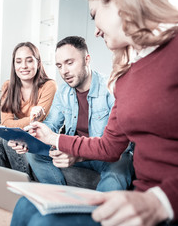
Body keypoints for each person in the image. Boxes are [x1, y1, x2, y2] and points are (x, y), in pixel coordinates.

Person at [10, 0, 178, 225]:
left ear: (121, 1)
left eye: (95, 15)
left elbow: (119, 157)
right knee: (26, 205)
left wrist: (160, 201)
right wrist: (50, 137)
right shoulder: (125, 78)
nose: (96, 30)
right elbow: (109, 147)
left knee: (43, 222)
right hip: (144, 199)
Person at [9, 36, 133, 191]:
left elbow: (121, 145)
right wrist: (28, 139)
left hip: (107, 155)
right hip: (74, 149)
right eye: (59, 66)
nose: (64, 71)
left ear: (87, 59)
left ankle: (98, 211)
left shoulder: (110, 88)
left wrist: (78, 153)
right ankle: (58, 198)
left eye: (69, 63)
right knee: (34, 154)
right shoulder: (63, 91)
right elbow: (51, 125)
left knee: (117, 171)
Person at [0, 42, 57, 179]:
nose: (23, 66)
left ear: (38, 63)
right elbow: (6, 121)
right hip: (23, 133)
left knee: (9, 141)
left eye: (29, 61)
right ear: (14, 65)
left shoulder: (49, 85)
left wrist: (5, 126)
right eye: (18, 61)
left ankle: (25, 183)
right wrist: (5, 125)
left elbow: (36, 120)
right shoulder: (8, 86)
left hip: (42, 136)